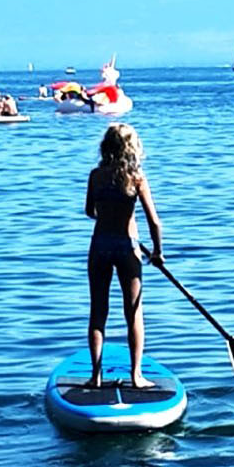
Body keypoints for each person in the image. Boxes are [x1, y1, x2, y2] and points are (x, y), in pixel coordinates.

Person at [84, 122, 165, 389]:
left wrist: (108, 213)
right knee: (133, 312)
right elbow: (154, 222)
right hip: (127, 245)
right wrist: (157, 253)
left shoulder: (95, 175)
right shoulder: (137, 178)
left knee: (98, 312)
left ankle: (95, 377)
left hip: (99, 245)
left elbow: (89, 211)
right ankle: (136, 376)